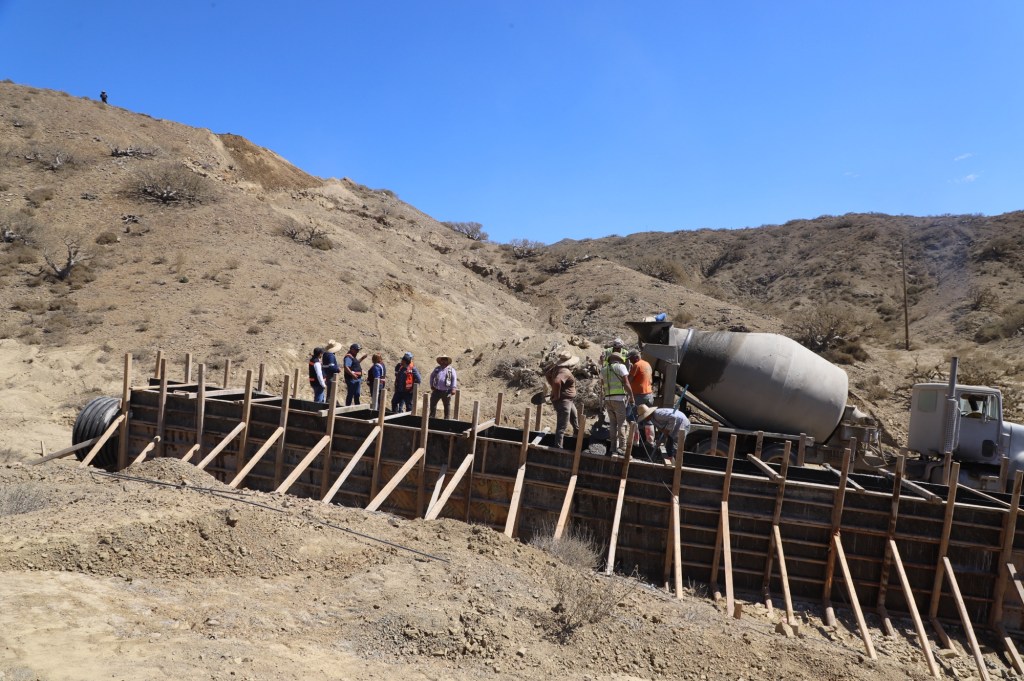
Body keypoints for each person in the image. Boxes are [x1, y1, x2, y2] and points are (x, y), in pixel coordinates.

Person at [545, 350, 580, 449]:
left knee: (574, 417)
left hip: (568, 400)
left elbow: (547, 375)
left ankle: (577, 435)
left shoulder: (557, 368)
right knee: (562, 426)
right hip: (564, 401)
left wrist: (553, 388)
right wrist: (556, 395)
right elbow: (557, 382)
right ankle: (558, 448)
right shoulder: (565, 371)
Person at [602, 352, 633, 455]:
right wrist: (631, 396)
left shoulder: (604, 369)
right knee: (621, 423)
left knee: (613, 423)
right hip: (619, 399)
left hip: (608, 399)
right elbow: (626, 383)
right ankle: (623, 447)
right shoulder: (621, 367)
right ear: (619, 360)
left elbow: (602, 383)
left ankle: (612, 447)